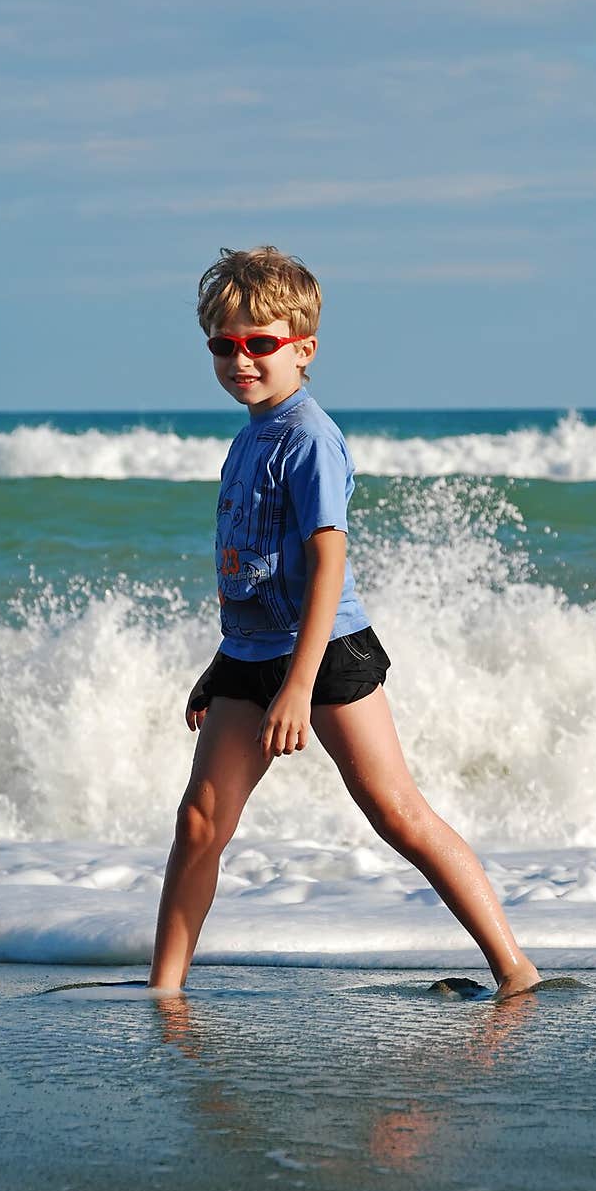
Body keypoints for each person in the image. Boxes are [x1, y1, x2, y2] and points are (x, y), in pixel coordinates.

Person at [148, 246, 541, 1000]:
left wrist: (298, 685)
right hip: (250, 653)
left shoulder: (308, 437)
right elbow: (256, 569)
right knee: (199, 820)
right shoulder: (247, 436)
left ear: (303, 347)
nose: (241, 361)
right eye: (223, 345)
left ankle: (514, 968)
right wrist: (221, 663)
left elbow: (328, 562)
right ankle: (165, 993)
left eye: (260, 343)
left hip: (325, 653)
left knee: (397, 813)